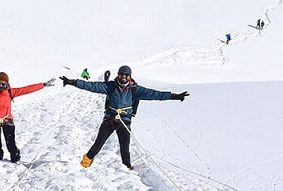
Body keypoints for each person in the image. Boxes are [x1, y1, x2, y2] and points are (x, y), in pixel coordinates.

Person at [59, 65, 187, 169]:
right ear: (118, 75)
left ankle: (127, 167)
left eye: (126, 75)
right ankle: (85, 163)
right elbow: (92, 86)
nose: (124, 77)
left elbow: (155, 94)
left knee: (125, 146)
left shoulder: (135, 89)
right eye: (122, 74)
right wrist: (73, 82)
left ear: (130, 77)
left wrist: (174, 96)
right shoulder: (110, 86)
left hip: (124, 121)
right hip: (110, 119)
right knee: (99, 143)